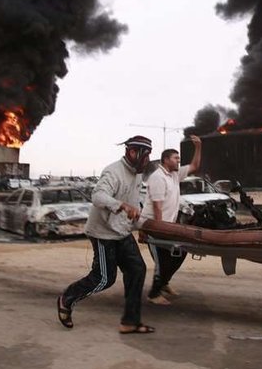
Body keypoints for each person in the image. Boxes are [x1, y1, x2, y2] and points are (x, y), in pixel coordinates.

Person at [56, 135, 155, 334]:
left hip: (122, 231)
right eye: (145, 156)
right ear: (133, 152)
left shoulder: (136, 174)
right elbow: (98, 197)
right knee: (104, 278)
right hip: (103, 233)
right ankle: (66, 298)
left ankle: (130, 322)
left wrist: (141, 222)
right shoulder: (113, 171)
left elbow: (135, 203)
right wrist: (121, 206)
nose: (147, 161)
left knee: (137, 270)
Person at [141, 135, 202, 305]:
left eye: (179, 159)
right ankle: (154, 294)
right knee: (163, 260)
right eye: (176, 158)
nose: (178, 161)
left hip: (168, 226)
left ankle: (163, 284)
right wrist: (161, 231)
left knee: (180, 252)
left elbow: (195, 166)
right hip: (154, 226)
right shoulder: (158, 177)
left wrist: (198, 147)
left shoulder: (174, 174)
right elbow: (157, 207)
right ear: (166, 160)